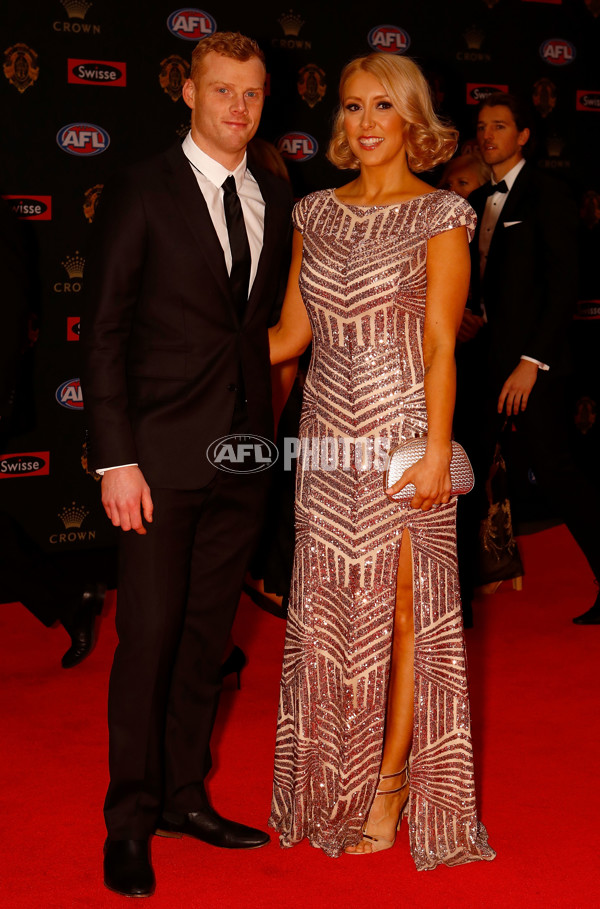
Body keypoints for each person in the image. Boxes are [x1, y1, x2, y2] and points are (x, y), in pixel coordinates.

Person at [267, 53, 495, 869]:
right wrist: (188, 344)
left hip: (404, 435)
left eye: (383, 109)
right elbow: (290, 337)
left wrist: (437, 450)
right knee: (328, 611)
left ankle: (391, 781)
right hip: (327, 441)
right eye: (354, 108)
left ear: (412, 122)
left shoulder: (442, 215)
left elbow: (441, 344)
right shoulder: (315, 213)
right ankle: (331, 776)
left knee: (403, 614)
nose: (364, 124)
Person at [82, 32, 293, 897]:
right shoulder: (140, 188)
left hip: (242, 460)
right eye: (221, 91)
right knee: (150, 640)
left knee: (207, 643)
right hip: (158, 462)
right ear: (189, 92)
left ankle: (183, 796)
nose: (237, 108)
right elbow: (102, 333)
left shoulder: (277, 196)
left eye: (251, 94)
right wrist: (115, 461)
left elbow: (257, 336)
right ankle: (127, 819)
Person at [459, 93, 600, 625]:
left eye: (499, 126)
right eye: (481, 127)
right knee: (464, 475)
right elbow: (474, 284)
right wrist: (466, 315)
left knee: (557, 472)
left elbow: (564, 286)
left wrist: (531, 361)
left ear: (523, 136)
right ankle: (453, 606)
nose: (487, 135)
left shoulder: (550, 194)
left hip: (531, 367)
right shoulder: (473, 203)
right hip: (479, 360)